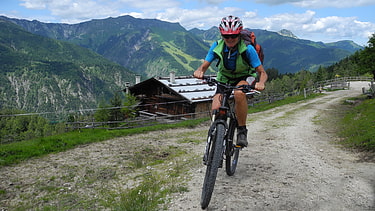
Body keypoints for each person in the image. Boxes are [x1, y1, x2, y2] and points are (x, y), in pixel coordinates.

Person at [193, 15, 268, 147]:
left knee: (239, 94)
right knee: (216, 107)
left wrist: (261, 83)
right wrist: (200, 72)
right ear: (222, 35)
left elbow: (262, 72)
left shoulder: (248, 49)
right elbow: (204, 66)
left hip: (244, 76)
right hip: (225, 77)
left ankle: (241, 130)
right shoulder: (217, 46)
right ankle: (217, 138)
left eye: (233, 36)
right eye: (226, 36)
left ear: (239, 34)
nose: (230, 39)